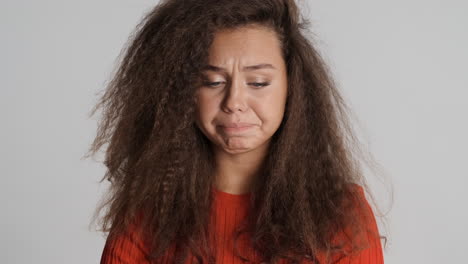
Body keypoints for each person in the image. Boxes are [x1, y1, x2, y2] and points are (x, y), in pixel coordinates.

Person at [85, 0, 387, 263]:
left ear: (292, 88)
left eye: (257, 83)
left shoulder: (342, 213)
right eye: (213, 82)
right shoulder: (146, 215)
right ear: (181, 94)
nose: (234, 102)